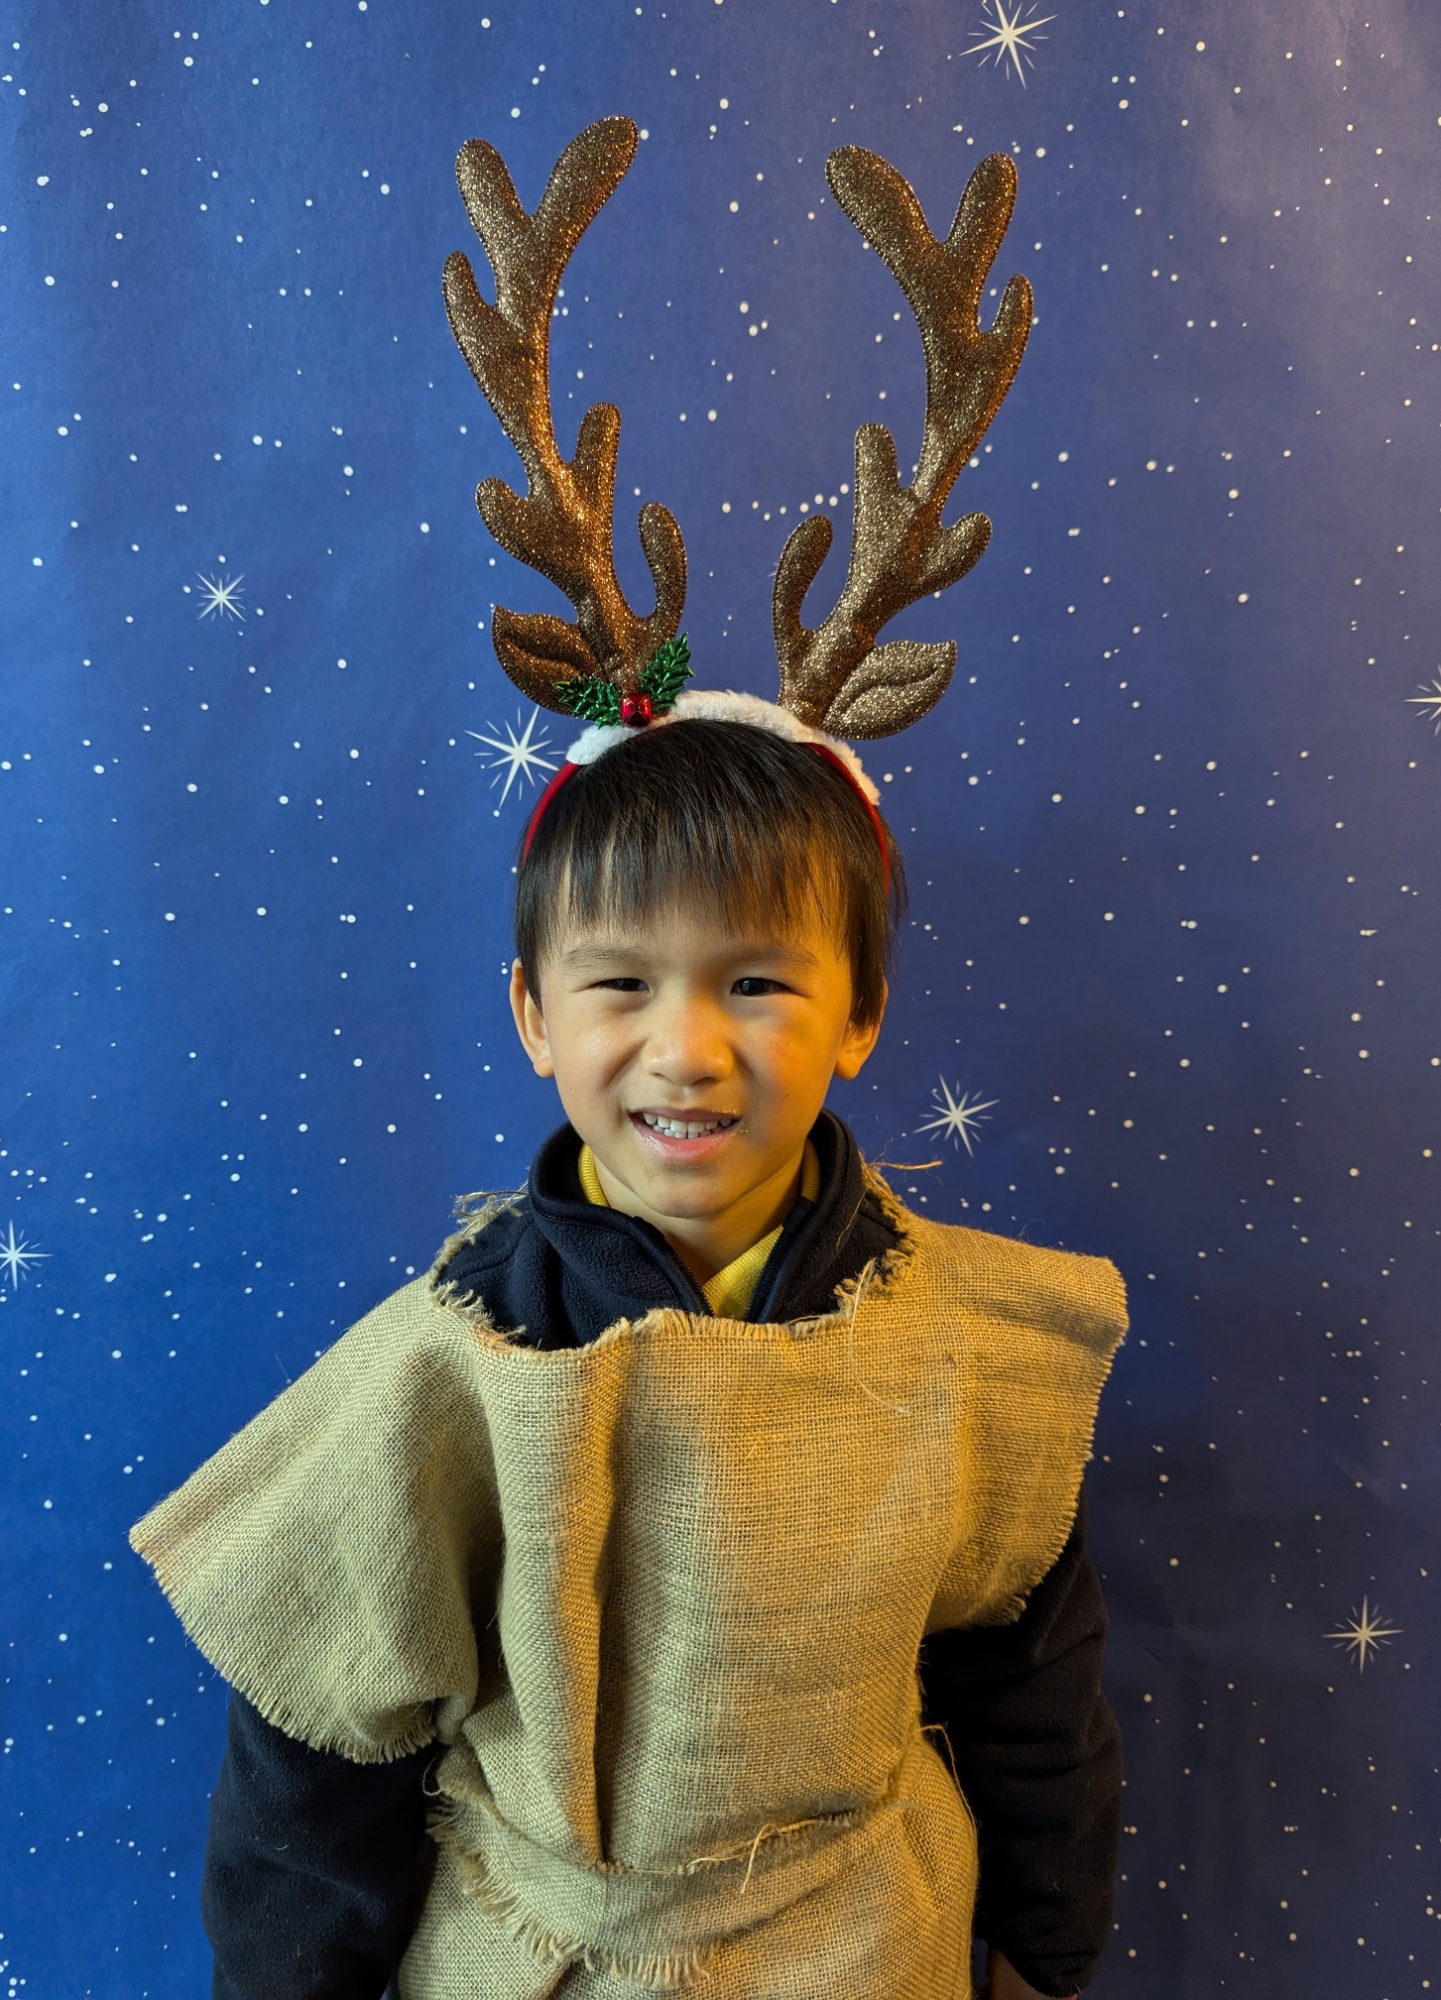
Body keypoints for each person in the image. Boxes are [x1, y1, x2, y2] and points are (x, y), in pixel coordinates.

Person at [132, 120, 1128, 2000]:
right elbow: (313, 1772)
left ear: (857, 1011)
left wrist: (1041, 1959)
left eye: (755, 981)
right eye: (617, 984)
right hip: (544, 1954)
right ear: (534, 1015)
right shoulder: (452, 1366)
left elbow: (1030, 1695)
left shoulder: (968, 1353)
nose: (685, 1047)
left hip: (863, 1944)